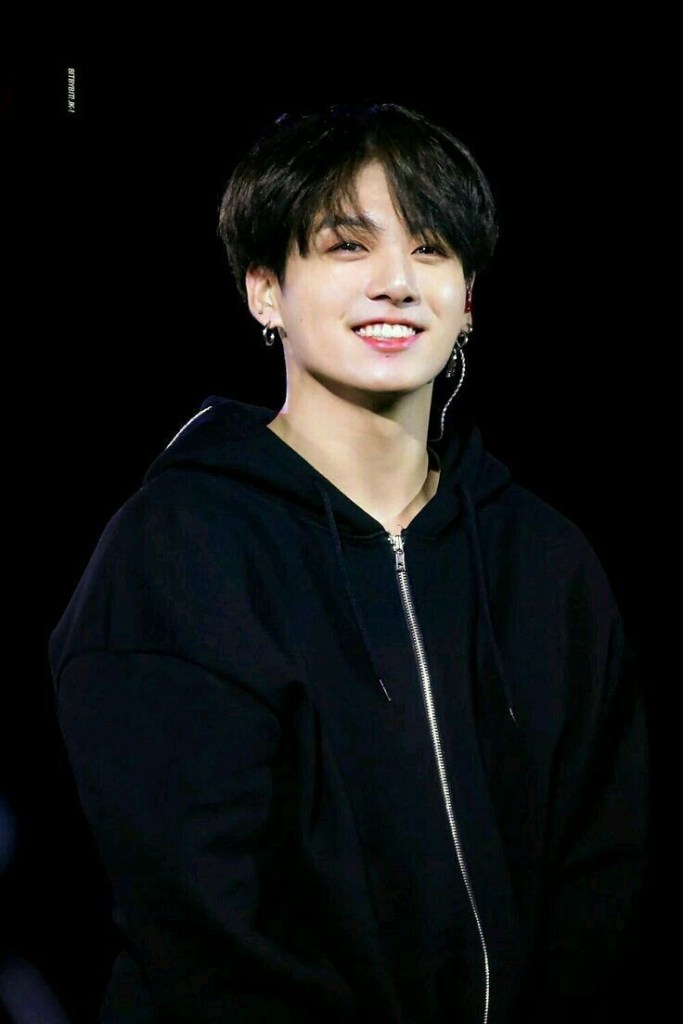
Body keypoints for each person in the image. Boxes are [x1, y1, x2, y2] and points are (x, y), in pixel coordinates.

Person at [48, 101, 648, 1023]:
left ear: (468, 299)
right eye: (346, 245)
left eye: (431, 249)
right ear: (264, 290)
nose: (396, 282)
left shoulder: (541, 558)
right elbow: (205, 920)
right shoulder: (179, 549)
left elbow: (602, 872)